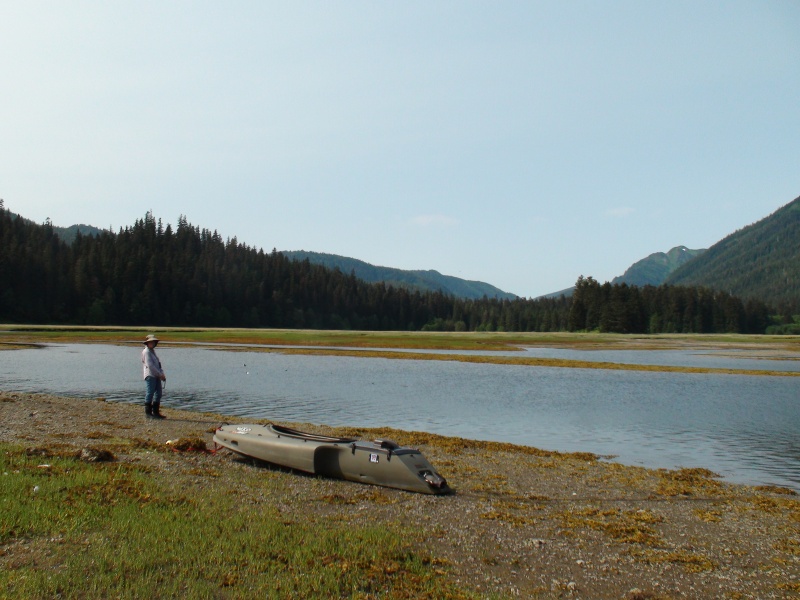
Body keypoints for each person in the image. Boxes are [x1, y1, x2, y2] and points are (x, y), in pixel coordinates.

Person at [141, 334, 167, 419]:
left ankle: (156, 412)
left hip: (156, 375)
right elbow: (150, 366)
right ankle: (148, 413)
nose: (152, 343)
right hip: (150, 375)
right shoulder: (146, 352)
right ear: (147, 343)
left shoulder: (152, 351)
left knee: (158, 393)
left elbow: (158, 365)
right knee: (150, 392)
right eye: (150, 342)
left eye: (153, 342)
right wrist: (160, 374)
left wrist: (161, 374)